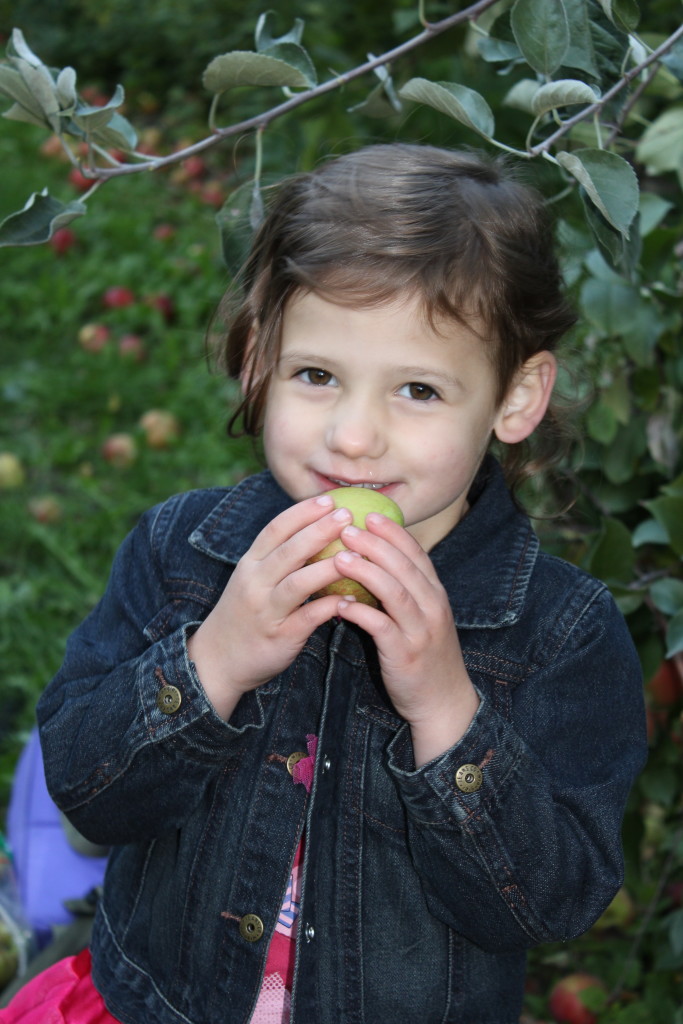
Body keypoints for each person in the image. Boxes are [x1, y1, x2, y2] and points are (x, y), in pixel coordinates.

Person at [4, 143, 647, 1024]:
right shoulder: (181, 552)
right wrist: (213, 663)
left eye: (417, 389)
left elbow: (549, 901)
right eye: (317, 376)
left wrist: (449, 714)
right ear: (261, 358)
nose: (351, 437)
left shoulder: (558, 632)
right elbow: (85, 790)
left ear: (515, 397)